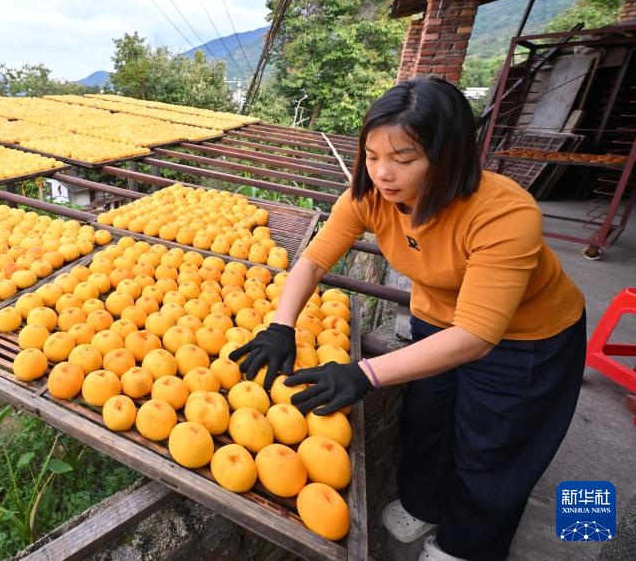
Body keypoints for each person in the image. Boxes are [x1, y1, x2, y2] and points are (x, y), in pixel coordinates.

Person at [230, 77, 586, 561]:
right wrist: (282, 324)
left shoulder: (503, 213)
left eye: (403, 159)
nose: (382, 173)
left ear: (450, 155)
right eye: (372, 155)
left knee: (491, 448)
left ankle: (465, 545)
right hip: (436, 317)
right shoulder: (370, 195)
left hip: (525, 338)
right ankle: (424, 503)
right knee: (427, 420)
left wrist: (364, 373)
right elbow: (314, 261)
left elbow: (479, 336)